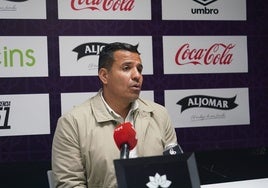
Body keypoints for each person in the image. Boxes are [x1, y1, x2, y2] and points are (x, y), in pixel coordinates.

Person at [52, 42, 179, 188]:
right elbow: (69, 184)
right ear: (104, 76)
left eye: (139, 69)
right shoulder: (72, 123)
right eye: (126, 68)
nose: (137, 76)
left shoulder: (159, 114)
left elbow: (175, 170)